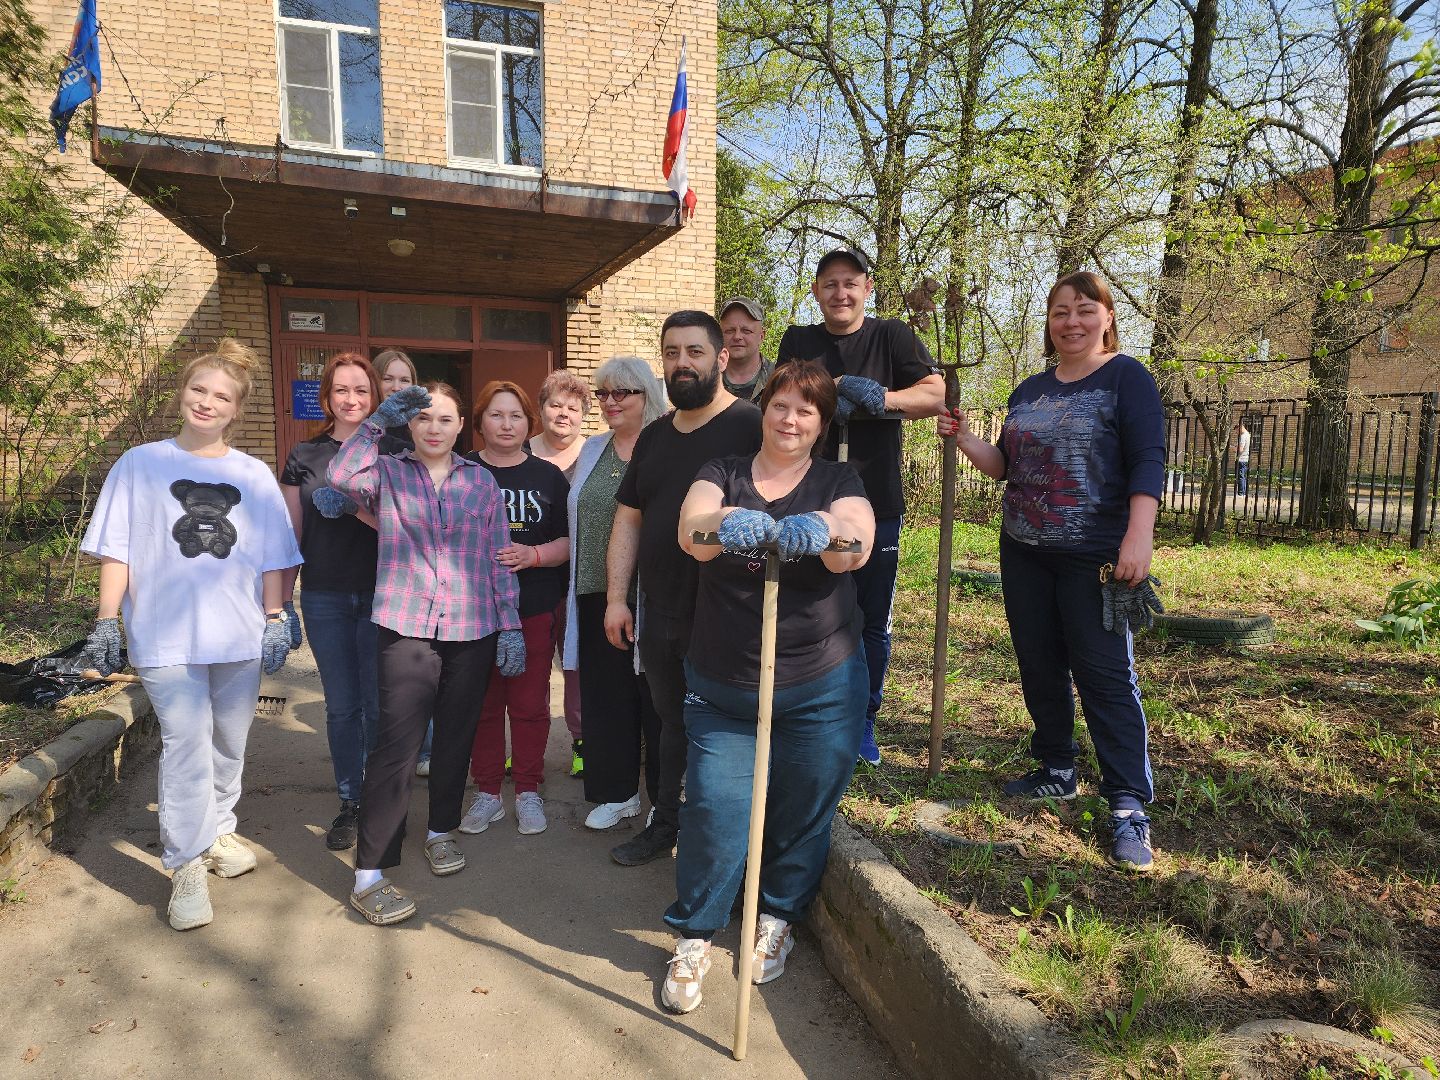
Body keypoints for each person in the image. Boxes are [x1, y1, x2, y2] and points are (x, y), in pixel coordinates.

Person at [659, 360, 875, 1014]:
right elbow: (689, 532)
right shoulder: (720, 472)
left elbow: (854, 543)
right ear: (763, 409)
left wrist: (827, 533)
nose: (790, 419)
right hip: (726, 683)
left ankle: (776, 917)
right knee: (717, 815)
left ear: (822, 421)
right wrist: (723, 524)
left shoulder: (839, 478)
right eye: (781, 405)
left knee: (803, 806)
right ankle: (695, 933)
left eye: (806, 410)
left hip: (822, 682)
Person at [941, 271, 1165, 872]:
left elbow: (1148, 459)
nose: (1071, 321)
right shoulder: (1028, 390)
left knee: (1103, 674)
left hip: (1094, 556)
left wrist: (1138, 535)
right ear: (1048, 321)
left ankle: (1127, 805)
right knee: (1039, 662)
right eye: (1060, 310)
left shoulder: (1127, 378)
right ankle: (1057, 767)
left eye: (1084, 309)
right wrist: (965, 439)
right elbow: (1006, 466)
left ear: (1108, 317)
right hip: (1025, 551)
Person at [77, 340, 302, 931]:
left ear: (236, 410)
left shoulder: (252, 476)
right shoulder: (139, 464)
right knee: (186, 742)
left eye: (221, 396)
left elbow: (276, 558)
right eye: (198, 390)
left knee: (230, 740)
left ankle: (220, 830)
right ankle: (184, 865)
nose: (207, 402)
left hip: (237, 635)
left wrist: (276, 616)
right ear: (182, 393)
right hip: (165, 634)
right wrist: (106, 619)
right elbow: (117, 550)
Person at [328, 382, 525, 926]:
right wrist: (375, 424)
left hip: (473, 626)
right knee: (396, 744)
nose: (433, 428)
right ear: (409, 426)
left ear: (462, 425)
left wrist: (509, 625)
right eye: (423, 419)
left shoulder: (481, 481)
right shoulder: (388, 473)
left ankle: (441, 832)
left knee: (456, 738)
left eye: (445, 419)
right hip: (406, 624)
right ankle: (370, 870)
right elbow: (341, 477)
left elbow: (497, 555)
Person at [606, 311, 764, 866]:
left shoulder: (752, 426)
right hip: (662, 610)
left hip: (727, 612)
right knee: (670, 723)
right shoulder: (652, 437)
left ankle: (720, 841)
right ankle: (665, 823)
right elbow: (627, 519)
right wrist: (617, 598)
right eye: (672, 353)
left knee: (721, 731)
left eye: (694, 352)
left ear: (721, 358)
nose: (682, 363)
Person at [777, 248, 945, 766]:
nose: (840, 294)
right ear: (815, 291)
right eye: (830, 284)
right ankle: (800, 710)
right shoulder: (799, 340)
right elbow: (780, 398)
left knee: (871, 616)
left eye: (850, 284)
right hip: (806, 497)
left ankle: (862, 720)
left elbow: (935, 392)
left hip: (875, 501)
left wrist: (881, 399)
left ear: (867, 288)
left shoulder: (891, 336)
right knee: (804, 606)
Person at [279, 353, 382, 851]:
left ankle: (384, 800)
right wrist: (280, 606)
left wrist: (358, 508)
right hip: (325, 596)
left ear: (375, 396)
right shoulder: (304, 456)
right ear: (326, 398)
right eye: (341, 390)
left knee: (380, 704)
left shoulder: (397, 451)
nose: (351, 399)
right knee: (343, 707)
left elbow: (414, 527)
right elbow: (290, 536)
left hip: (387, 595)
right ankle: (351, 802)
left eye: (360, 389)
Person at [460, 381, 570, 837]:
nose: (507, 425)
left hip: (532, 607)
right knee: (482, 706)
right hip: (472, 613)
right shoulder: (460, 471)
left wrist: (534, 555)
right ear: (479, 421)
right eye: (496, 415)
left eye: (516, 416)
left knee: (528, 704)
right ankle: (488, 793)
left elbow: (569, 543)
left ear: (530, 423)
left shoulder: (547, 477)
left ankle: (527, 789)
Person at [562, 357, 667, 831]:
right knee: (606, 697)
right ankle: (617, 793)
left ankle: (664, 805)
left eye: (622, 392)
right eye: (603, 393)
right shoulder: (593, 449)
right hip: (595, 591)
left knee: (656, 700)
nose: (610, 402)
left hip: (654, 595)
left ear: (647, 394)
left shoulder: (666, 442)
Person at [529, 369, 592, 777]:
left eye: (573, 407)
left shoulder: (596, 454)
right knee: (529, 666)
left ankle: (583, 743)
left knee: (577, 666)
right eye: (555, 405)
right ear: (541, 409)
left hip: (580, 577)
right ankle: (526, 743)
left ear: (585, 413)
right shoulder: (519, 449)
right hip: (528, 578)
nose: (563, 413)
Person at [719, 297, 773, 403]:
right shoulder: (706, 378)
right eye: (730, 331)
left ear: (761, 336)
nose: (737, 336)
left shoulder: (778, 380)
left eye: (746, 331)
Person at [1235, 419, 1251, 497]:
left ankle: (1241, 493)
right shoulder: (1248, 434)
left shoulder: (1243, 436)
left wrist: (1233, 448)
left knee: (1241, 476)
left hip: (1242, 458)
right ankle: (1243, 492)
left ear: (1239, 428)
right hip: (1246, 458)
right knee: (1243, 476)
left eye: (1237, 431)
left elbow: (1240, 449)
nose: (1237, 433)